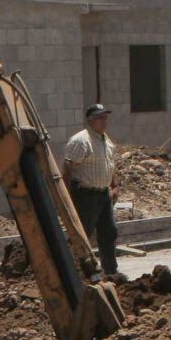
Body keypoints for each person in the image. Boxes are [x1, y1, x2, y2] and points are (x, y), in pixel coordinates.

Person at [62, 103, 120, 278]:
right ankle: (74, 272)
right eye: (100, 118)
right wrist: (66, 196)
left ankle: (110, 271)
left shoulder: (105, 140)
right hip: (85, 195)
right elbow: (67, 168)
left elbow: (109, 165)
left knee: (109, 232)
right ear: (90, 120)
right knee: (82, 235)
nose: (104, 121)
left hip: (103, 194)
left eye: (105, 117)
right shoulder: (81, 140)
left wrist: (114, 185)